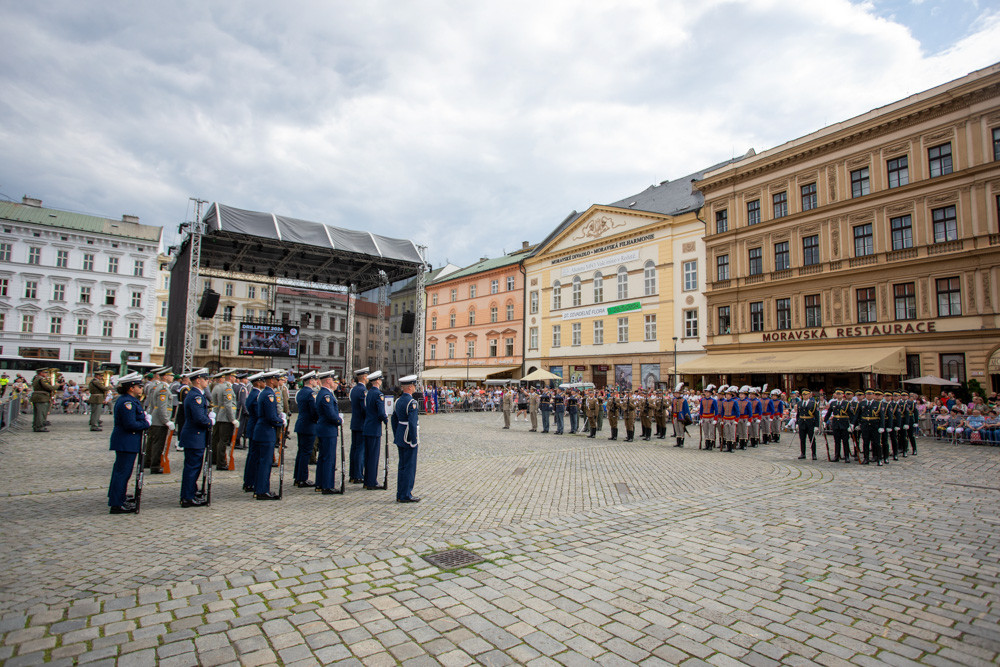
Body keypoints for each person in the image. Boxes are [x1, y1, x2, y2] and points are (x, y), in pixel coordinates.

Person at [107, 372, 152, 514]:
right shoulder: (127, 402)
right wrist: (145, 423)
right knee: (122, 473)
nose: (141, 388)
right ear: (131, 388)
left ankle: (118, 497)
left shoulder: (130, 400)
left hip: (127, 441)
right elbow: (130, 424)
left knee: (122, 472)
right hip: (126, 441)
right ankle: (117, 503)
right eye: (139, 386)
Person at [178, 369, 212, 507]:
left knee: (194, 467)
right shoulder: (195, 396)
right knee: (192, 468)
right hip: (194, 436)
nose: (207, 381)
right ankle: (187, 496)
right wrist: (209, 421)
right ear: (198, 380)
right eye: (205, 379)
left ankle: (191, 491)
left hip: (195, 436)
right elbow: (198, 418)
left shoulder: (197, 395)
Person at [252, 370, 285, 499]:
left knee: (262, 462)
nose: (278, 381)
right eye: (277, 379)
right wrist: (281, 421)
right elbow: (271, 416)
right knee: (265, 462)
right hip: (266, 431)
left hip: (262, 430)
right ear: (271, 380)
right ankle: (262, 490)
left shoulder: (265, 393)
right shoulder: (269, 394)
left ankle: (259, 488)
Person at [393, 375, 421, 503]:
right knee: (409, 467)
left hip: (400, 435)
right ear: (410, 387)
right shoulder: (412, 403)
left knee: (402, 466)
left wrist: (397, 434)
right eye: (414, 385)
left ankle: (400, 492)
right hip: (408, 437)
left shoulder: (398, 401)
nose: (415, 387)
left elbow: (394, 420)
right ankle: (406, 494)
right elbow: (412, 423)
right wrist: (414, 439)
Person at [314, 371, 343, 494]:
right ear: (328, 381)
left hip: (325, 429)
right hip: (328, 429)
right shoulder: (326, 395)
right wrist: (339, 420)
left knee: (323, 457)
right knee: (328, 458)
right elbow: (330, 414)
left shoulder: (324, 393)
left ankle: (320, 483)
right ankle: (327, 485)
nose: (334, 382)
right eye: (332, 380)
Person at [362, 370, 388, 489]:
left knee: (368, 455)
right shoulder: (378, 394)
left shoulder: (369, 393)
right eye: (380, 379)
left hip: (368, 426)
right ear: (377, 381)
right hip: (374, 428)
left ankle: (367, 480)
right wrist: (386, 420)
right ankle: (371, 482)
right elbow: (381, 412)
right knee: (373, 456)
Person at [146, 367, 175, 474]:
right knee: (158, 444)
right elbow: (162, 407)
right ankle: (155, 466)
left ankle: (150, 463)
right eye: (170, 375)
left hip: (157, 419)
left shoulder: (161, 387)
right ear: (165, 377)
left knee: (154, 443)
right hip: (159, 421)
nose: (172, 377)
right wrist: (166, 421)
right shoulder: (163, 389)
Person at [293, 371, 319, 487]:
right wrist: (318, 420)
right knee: (306, 452)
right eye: (314, 380)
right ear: (310, 381)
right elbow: (313, 410)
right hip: (309, 425)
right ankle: (302, 478)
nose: (315, 381)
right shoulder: (311, 394)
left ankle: (297, 476)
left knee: (301, 451)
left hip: (301, 424)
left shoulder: (300, 392)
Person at [210, 370, 238, 470]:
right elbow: (228, 405)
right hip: (225, 417)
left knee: (216, 439)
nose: (235, 378)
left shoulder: (217, 387)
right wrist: (232, 419)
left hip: (219, 416)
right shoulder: (227, 388)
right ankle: (221, 463)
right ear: (230, 377)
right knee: (223, 440)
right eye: (234, 377)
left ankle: (214, 459)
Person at [242, 372, 265, 492]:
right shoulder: (257, 395)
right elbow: (259, 413)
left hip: (253, 426)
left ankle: (249, 480)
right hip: (256, 427)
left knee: (252, 455)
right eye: (263, 381)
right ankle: (250, 481)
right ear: (258, 382)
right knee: (254, 456)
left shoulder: (254, 393)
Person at [349, 367, 369, 484]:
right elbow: (364, 408)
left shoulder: (354, 390)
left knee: (354, 449)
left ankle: (353, 473)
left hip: (355, 422)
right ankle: (358, 474)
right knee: (360, 450)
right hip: (361, 423)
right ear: (364, 377)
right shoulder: (363, 391)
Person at [797, 389, 819, 460]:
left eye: (806, 394)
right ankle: (803, 453)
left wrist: (816, 425)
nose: (804, 396)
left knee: (812, 439)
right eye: (803, 395)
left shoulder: (813, 403)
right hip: (802, 423)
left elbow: (816, 415)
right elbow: (798, 414)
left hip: (810, 423)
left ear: (809, 395)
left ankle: (814, 454)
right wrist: (797, 423)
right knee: (802, 439)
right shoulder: (799, 403)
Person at [671, 383, 691, 447]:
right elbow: (672, 408)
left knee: (681, 429)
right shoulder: (674, 400)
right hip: (675, 416)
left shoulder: (683, 400)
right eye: (675, 393)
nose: (676, 394)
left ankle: (682, 442)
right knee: (677, 429)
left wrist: (686, 418)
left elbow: (686, 410)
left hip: (681, 417)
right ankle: (678, 442)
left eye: (677, 393)